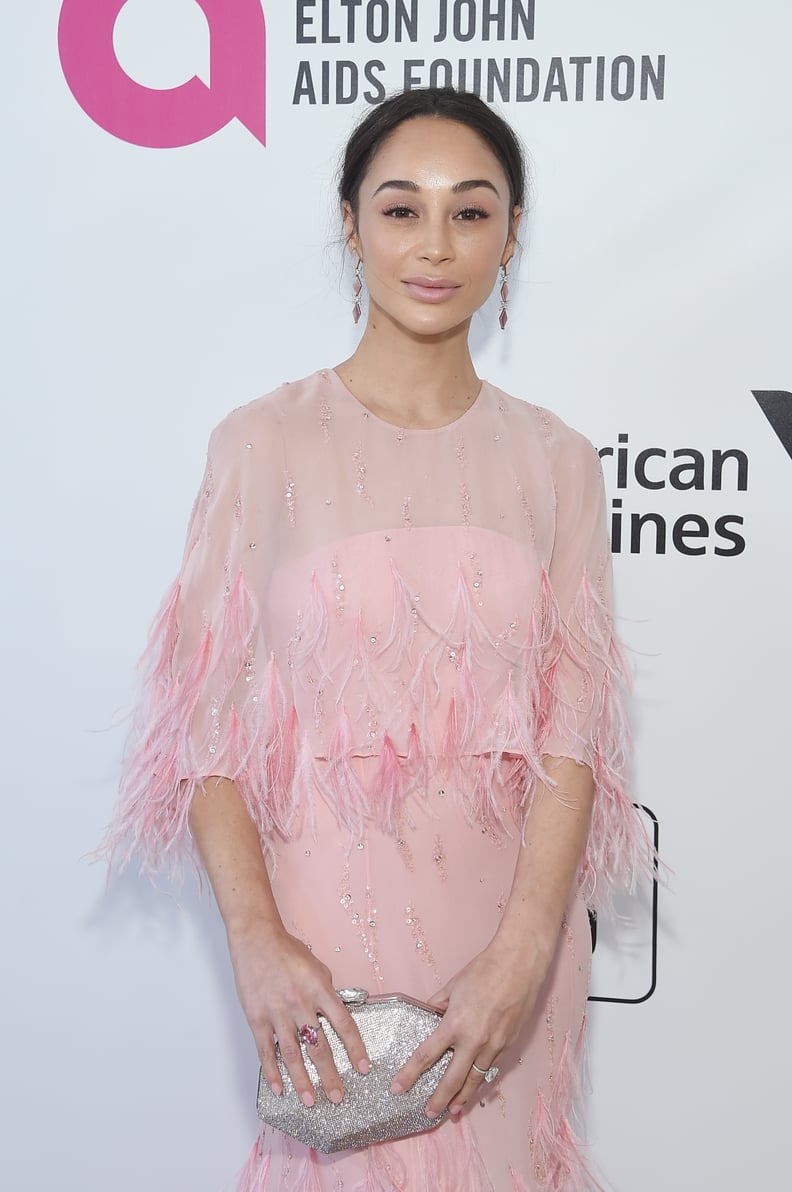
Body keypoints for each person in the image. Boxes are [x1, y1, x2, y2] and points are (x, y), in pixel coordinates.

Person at [105, 87, 650, 1191]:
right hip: (323, 933)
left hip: (504, 944)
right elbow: (204, 731)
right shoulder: (259, 444)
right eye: (401, 210)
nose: (435, 245)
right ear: (350, 226)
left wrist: (524, 950)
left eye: (472, 211)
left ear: (512, 235)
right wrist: (256, 941)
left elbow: (575, 722)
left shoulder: (559, 460)